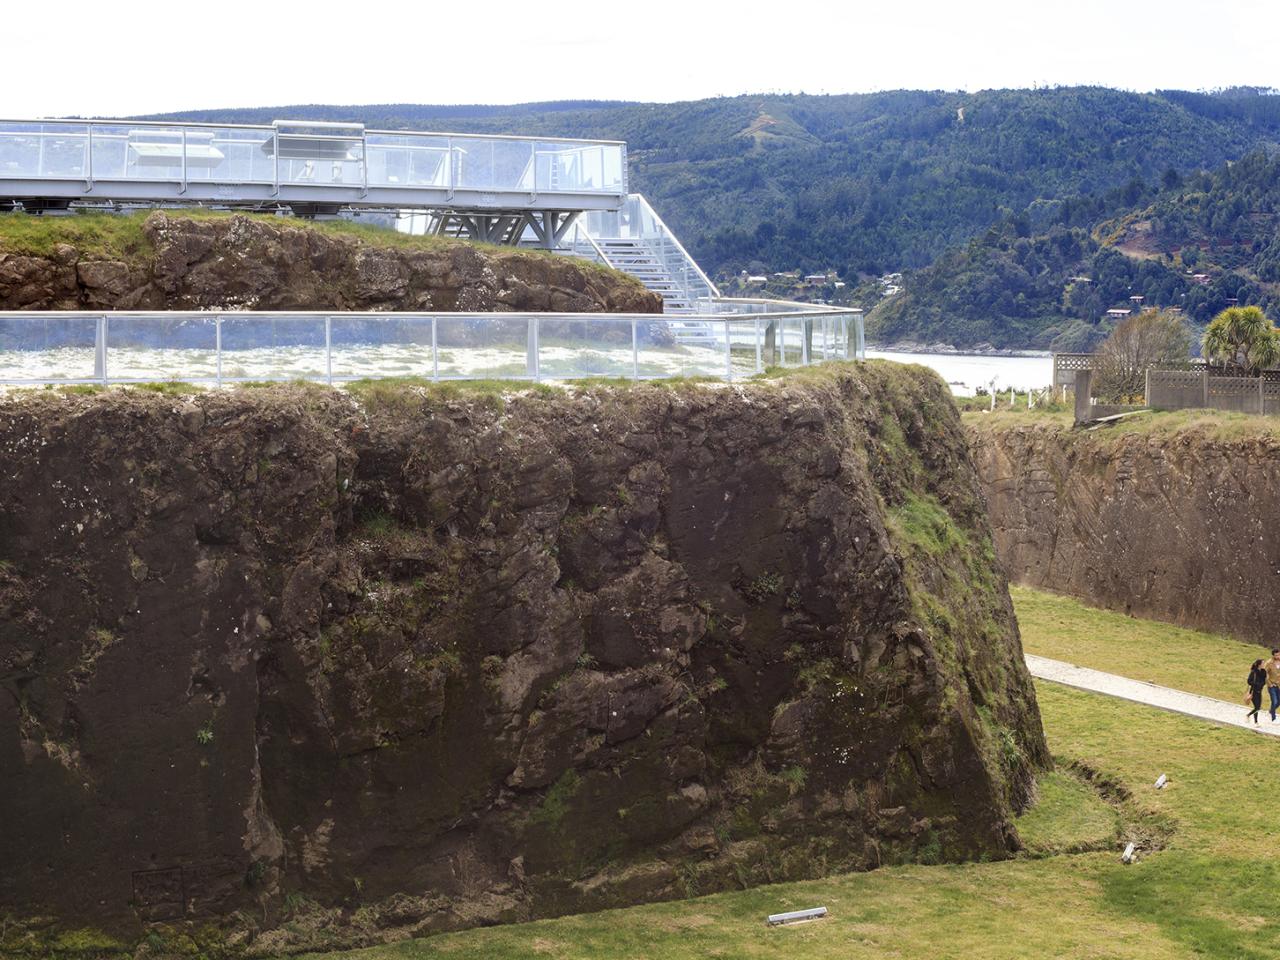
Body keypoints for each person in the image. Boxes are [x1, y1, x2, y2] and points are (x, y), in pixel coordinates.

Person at [1247, 659, 1267, 724]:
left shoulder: (1264, 672)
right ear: (1259, 664)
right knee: (1257, 707)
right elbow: (1249, 681)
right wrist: (1256, 684)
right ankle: (1255, 722)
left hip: (1259, 691)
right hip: (1253, 691)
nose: (1264, 664)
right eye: (1263, 663)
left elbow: (1264, 680)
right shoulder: (1253, 672)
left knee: (1258, 707)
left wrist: (1262, 684)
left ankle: (1248, 715)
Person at [1265, 648, 1280, 722]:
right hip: (1271, 685)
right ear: (1273, 655)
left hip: (1278, 685)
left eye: (1279, 654)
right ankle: (1273, 719)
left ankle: (1270, 711)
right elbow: (1265, 674)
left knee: (1279, 701)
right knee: (1274, 701)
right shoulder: (1269, 663)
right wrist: (1269, 684)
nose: (1278, 656)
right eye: (1276, 655)